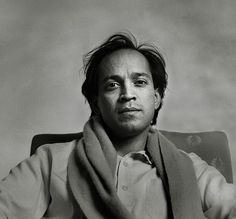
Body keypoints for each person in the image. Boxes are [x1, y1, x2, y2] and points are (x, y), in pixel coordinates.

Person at [0, 32, 236, 219]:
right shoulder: (50, 160)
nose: (127, 94)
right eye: (113, 85)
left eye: (139, 82)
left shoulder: (191, 168)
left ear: (156, 98)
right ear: (96, 102)